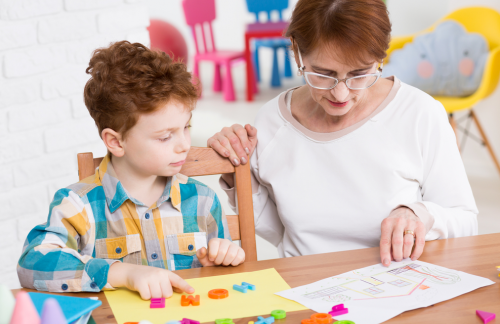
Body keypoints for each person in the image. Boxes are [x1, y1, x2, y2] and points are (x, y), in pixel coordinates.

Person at [208, 0, 477, 266]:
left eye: (359, 74)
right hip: (305, 286)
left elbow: (466, 222)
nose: (341, 93)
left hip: (396, 286)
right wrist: (236, 169)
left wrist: (418, 214)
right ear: (297, 52)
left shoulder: (419, 113)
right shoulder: (271, 122)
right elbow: (279, 231)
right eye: (324, 74)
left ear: (381, 57)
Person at [17, 41, 245, 300]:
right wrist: (122, 273)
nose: (184, 145)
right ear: (116, 142)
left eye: (186, 127)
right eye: (164, 137)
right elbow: (31, 263)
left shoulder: (203, 200)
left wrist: (223, 259)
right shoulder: (77, 205)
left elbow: (221, 284)